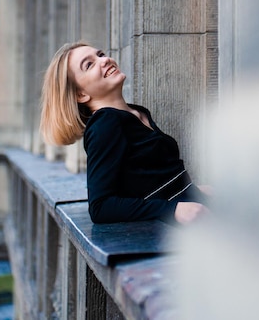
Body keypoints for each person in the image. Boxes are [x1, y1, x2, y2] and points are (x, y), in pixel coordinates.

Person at [40, 41, 210, 225]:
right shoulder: (105, 124)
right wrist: (172, 210)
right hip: (171, 231)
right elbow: (100, 207)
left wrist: (194, 190)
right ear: (81, 95)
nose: (103, 61)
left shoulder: (137, 113)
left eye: (101, 54)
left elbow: (152, 180)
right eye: (89, 65)